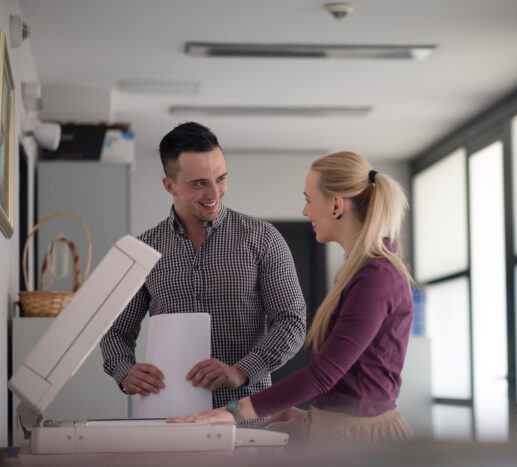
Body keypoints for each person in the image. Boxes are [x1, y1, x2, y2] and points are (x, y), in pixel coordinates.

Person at [170, 151, 414, 445]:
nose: (305, 211)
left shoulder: (376, 277)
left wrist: (233, 412)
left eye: (309, 199)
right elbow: (353, 379)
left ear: (336, 205)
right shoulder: (359, 271)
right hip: (341, 432)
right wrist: (312, 418)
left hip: (363, 441)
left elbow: (323, 374)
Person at [100, 122, 306, 410]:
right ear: (169, 186)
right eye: (199, 183)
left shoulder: (263, 239)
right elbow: (115, 330)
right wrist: (124, 370)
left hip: (246, 419)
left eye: (221, 178)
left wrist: (242, 371)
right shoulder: (144, 250)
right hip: (170, 418)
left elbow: (292, 322)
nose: (214, 193)